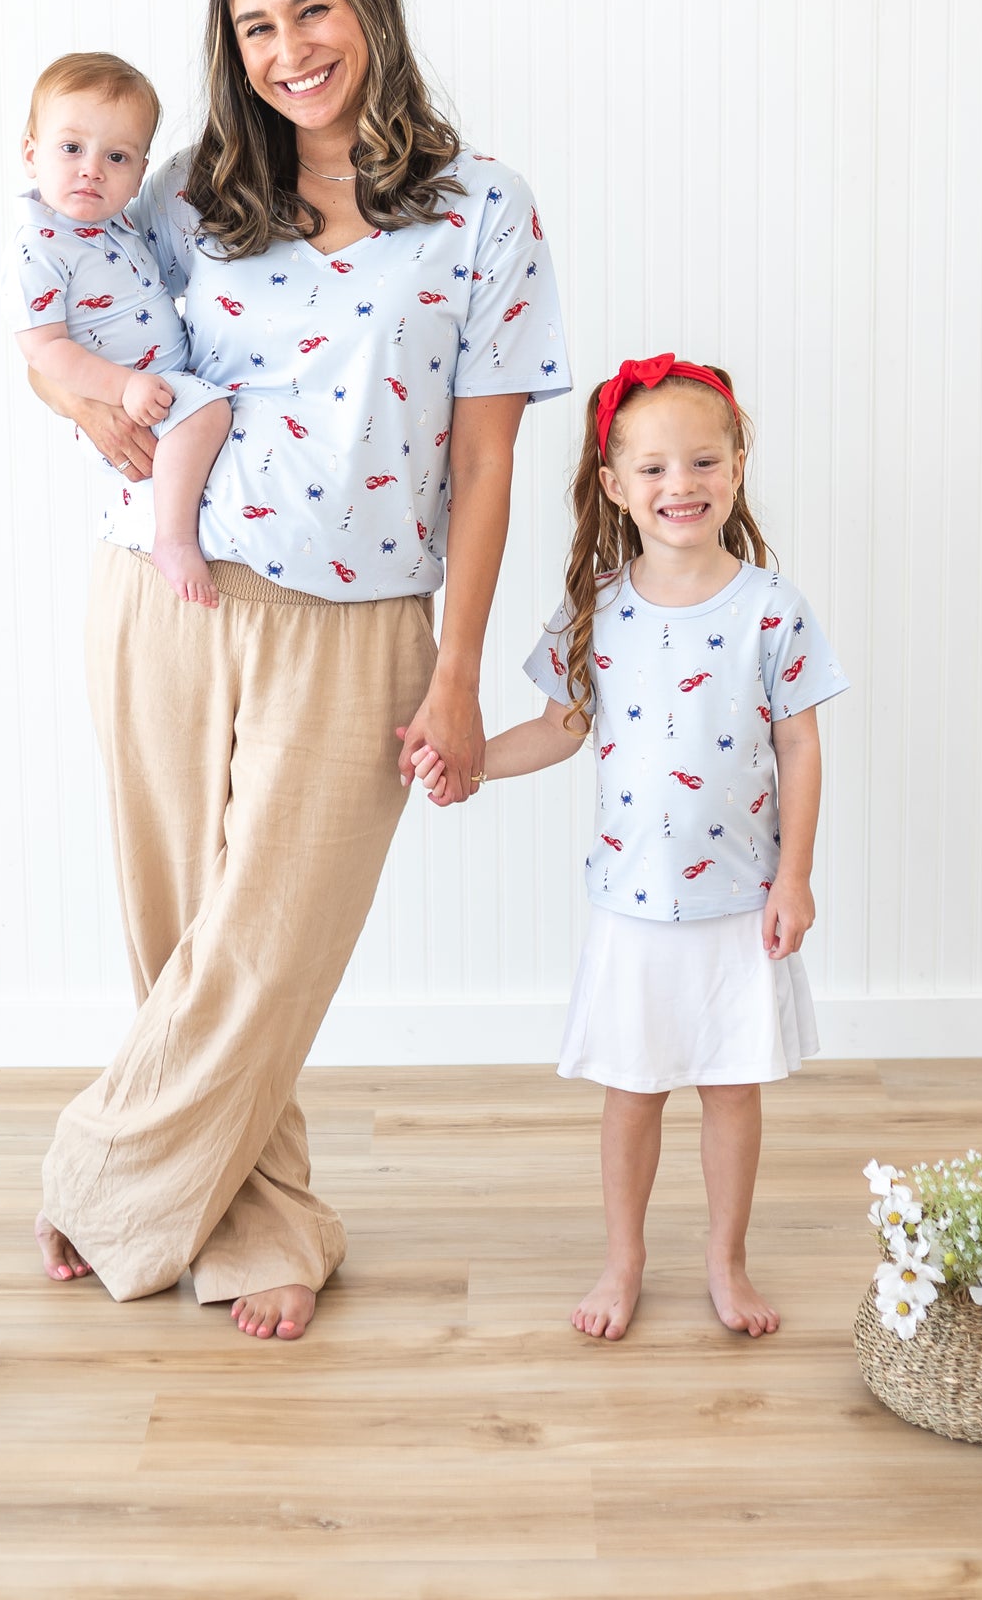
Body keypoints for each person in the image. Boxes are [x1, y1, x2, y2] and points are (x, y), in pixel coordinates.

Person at [26, 0, 570, 1340]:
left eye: (311, 10)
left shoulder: (484, 209)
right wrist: (87, 411)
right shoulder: (191, 186)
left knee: (269, 939)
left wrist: (458, 673)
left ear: (369, 8)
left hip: (359, 615)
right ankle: (248, 1216)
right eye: (256, 27)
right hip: (160, 587)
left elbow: (487, 457)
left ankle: (97, 1172)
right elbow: (61, 333)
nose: (289, 50)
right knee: (183, 927)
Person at [412, 355, 847, 1341]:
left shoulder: (772, 610)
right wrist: (473, 763)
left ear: (737, 467)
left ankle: (725, 1262)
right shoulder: (595, 609)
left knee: (732, 1093)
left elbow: (800, 743)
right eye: (652, 468)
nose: (679, 485)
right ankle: (624, 1261)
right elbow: (560, 727)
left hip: (743, 903)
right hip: (633, 905)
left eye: (701, 461)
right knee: (635, 1092)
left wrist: (796, 878)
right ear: (614, 486)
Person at [5, 53, 233, 606]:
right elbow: (43, 349)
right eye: (71, 148)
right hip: (127, 399)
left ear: (139, 172)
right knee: (209, 411)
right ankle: (173, 539)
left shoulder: (120, 227)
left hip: (156, 385)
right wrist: (121, 388)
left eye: (117, 156)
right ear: (31, 154)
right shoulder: (39, 245)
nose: (92, 169)